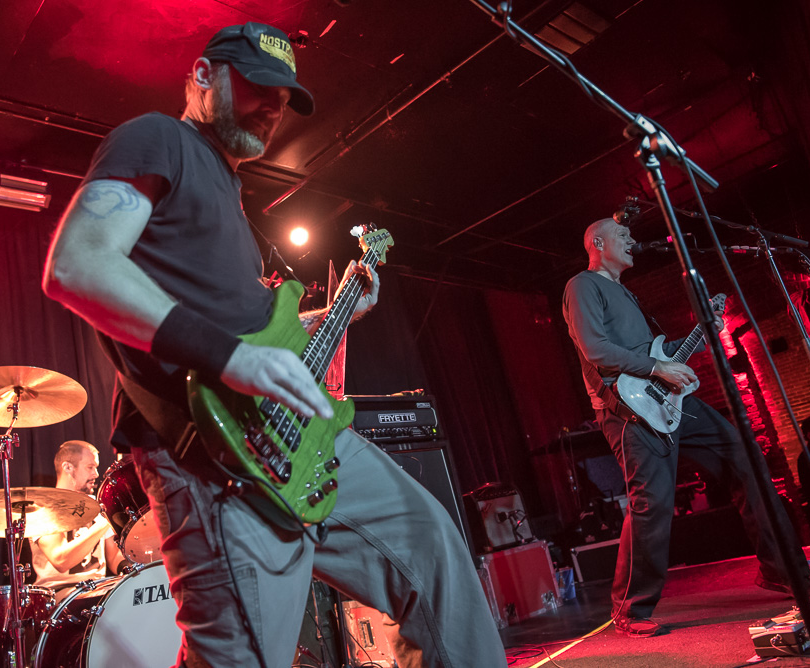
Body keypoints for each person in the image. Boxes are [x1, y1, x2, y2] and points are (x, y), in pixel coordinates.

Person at [42, 21, 506, 668]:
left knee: (433, 551)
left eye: (284, 97)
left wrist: (335, 315)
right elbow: (78, 264)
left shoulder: (230, 193)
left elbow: (257, 339)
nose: (273, 106)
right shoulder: (157, 138)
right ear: (203, 76)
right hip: (213, 453)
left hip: (298, 440)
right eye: (257, 86)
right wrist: (231, 357)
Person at [562, 218, 810, 638]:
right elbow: (596, 350)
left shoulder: (627, 293)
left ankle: (778, 568)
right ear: (597, 242)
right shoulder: (582, 286)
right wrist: (657, 365)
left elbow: (656, 354)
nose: (631, 240)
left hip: (666, 400)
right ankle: (630, 609)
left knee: (745, 456)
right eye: (622, 235)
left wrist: (702, 335)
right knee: (652, 501)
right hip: (628, 410)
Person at [30, 440, 124, 602]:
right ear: (68, 467)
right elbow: (61, 560)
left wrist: (132, 568)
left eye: (96, 467)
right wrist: (105, 520)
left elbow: (113, 558)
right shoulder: (43, 508)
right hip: (58, 596)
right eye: (90, 467)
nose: (96, 474)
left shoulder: (98, 504)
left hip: (99, 589)